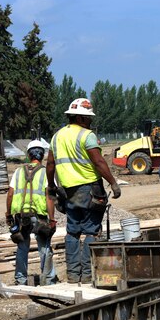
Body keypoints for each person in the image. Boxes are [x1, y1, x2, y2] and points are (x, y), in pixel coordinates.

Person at [46, 98, 121, 284]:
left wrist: (51, 185)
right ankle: (88, 275)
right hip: (89, 189)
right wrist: (112, 182)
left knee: (72, 231)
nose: (90, 122)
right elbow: (98, 161)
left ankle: (73, 275)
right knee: (91, 231)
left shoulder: (57, 137)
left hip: (68, 191)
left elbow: (50, 164)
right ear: (80, 118)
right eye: (88, 118)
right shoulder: (87, 136)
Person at [6, 140, 56, 286]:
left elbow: (10, 194)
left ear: (29, 155)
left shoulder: (18, 171)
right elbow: (49, 197)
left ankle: (21, 279)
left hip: (20, 216)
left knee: (22, 247)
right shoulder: (46, 173)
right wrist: (52, 219)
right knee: (44, 246)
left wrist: (8, 214)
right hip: (39, 216)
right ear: (43, 155)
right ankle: (47, 280)